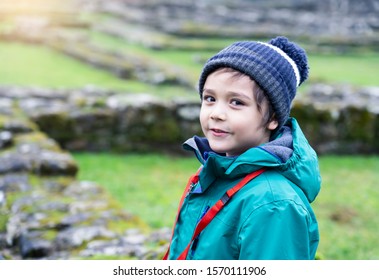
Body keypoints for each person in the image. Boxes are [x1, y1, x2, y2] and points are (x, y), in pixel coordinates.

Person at [164, 36, 321, 260]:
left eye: (236, 102)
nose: (216, 113)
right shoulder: (214, 172)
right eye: (209, 98)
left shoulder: (274, 204)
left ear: (273, 118)